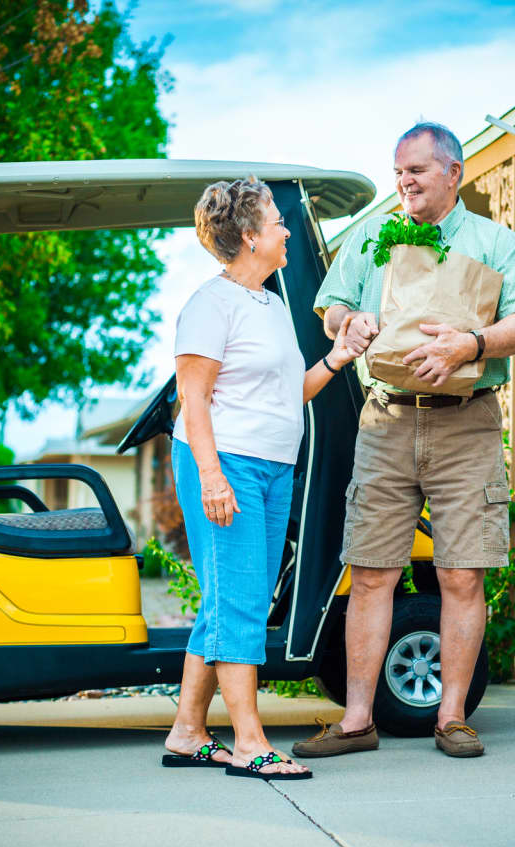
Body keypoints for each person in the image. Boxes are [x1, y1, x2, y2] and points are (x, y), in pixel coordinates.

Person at [295, 122, 515, 760]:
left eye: (417, 171)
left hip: (467, 422)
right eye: (398, 171)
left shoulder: (494, 242)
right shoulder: (372, 237)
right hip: (385, 420)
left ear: (453, 173)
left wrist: (473, 344)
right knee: (372, 571)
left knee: (462, 574)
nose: (403, 182)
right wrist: (350, 320)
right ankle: (356, 721)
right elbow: (331, 308)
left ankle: (451, 717)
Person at [161, 177, 365, 780]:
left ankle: (187, 732)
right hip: (228, 467)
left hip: (275, 470)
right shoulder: (210, 304)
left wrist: (337, 358)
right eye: (277, 221)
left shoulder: (272, 304)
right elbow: (193, 401)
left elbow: (289, 392)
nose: (285, 231)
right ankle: (250, 743)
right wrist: (213, 478)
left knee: (228, 599)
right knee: (242, 603)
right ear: (250, 237)